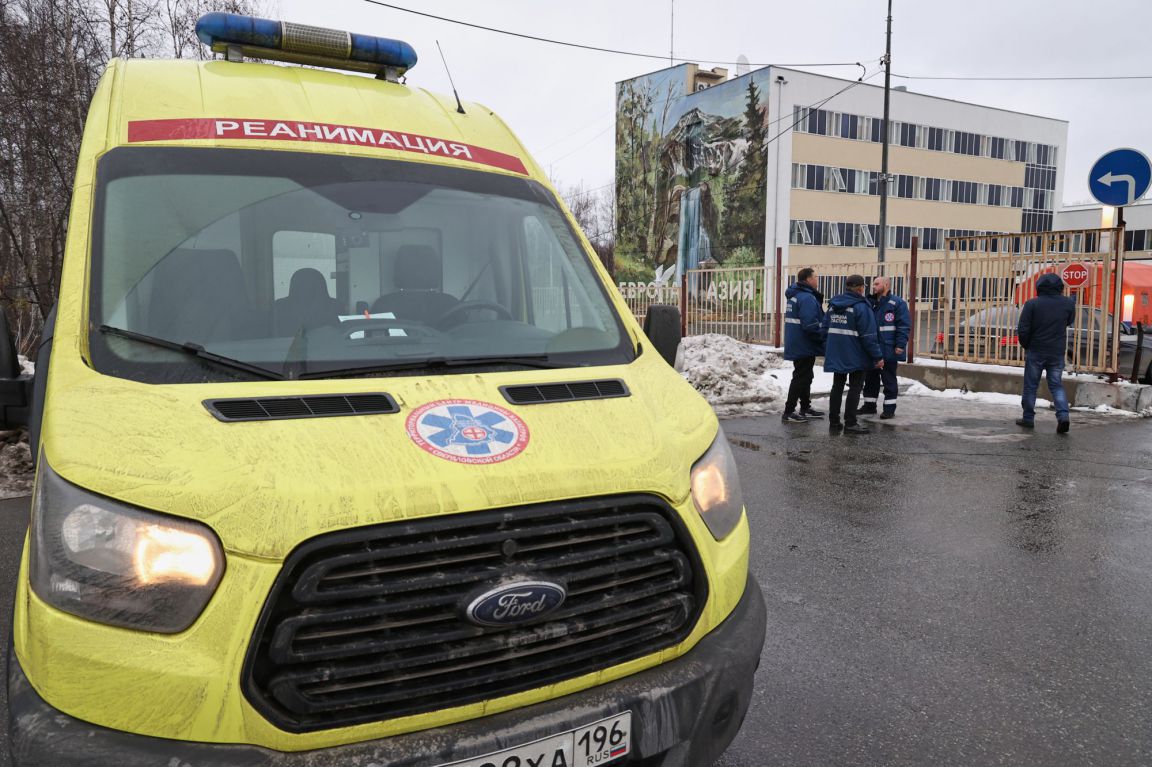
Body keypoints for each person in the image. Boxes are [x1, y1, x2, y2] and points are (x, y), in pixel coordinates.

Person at [823, 274, 884, 434]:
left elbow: (824, 328)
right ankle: (850, 423)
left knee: (837, 386)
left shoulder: (833, 305)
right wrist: (877, 356)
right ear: (861, 288)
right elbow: (869, 336)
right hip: (856, 354)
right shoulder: (861, 307)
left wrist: (829, 348)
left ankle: (834, 422)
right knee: (855, 388)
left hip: (837, 353)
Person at [1016, 272, 1075, 433]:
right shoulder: (1068, 303)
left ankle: (1028, 418)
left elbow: (1023, 329)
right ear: (1060, 287)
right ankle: (1063, 416)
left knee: (1031, 386)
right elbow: (1069, 321)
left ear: (1039, 286)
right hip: (1057, 351)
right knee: (1056, 384)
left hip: (1036, 350)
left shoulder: (1032, 304)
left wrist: (1027, 345)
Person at [859, 276, 911, 419]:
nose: (873, 287)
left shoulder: (897, 303)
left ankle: (889, 409)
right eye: (873, 284)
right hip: (872, 349)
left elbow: (904, 326)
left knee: (889, 379)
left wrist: (900, 345)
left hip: (889, 349)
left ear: (886, 285)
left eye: (877, 284)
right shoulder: (870, 303)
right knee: (870, 379)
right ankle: (869, 406)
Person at [782, 267, 825, 422]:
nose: (817, 280)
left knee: (806, 376)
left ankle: (805, 407)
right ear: (808, 279)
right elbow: (811, 325)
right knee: (800, 377)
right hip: (804, 343)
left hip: (799, 342)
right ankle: (789, 411)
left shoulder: (795, 295)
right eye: (816, 277)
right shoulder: (807, 297)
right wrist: (822, 337)